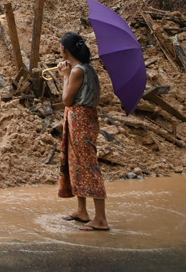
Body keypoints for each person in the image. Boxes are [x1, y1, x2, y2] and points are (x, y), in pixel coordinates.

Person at [57, 32, 109, 231]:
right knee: (76, 162)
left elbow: (67, 100)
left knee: (87, 165)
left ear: (65, 50)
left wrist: (65, 77)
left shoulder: (78, 71)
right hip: (84, 119)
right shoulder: (87, 68)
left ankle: (101, 219)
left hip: (80, 120)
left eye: (60, 47)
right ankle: (81, 210)